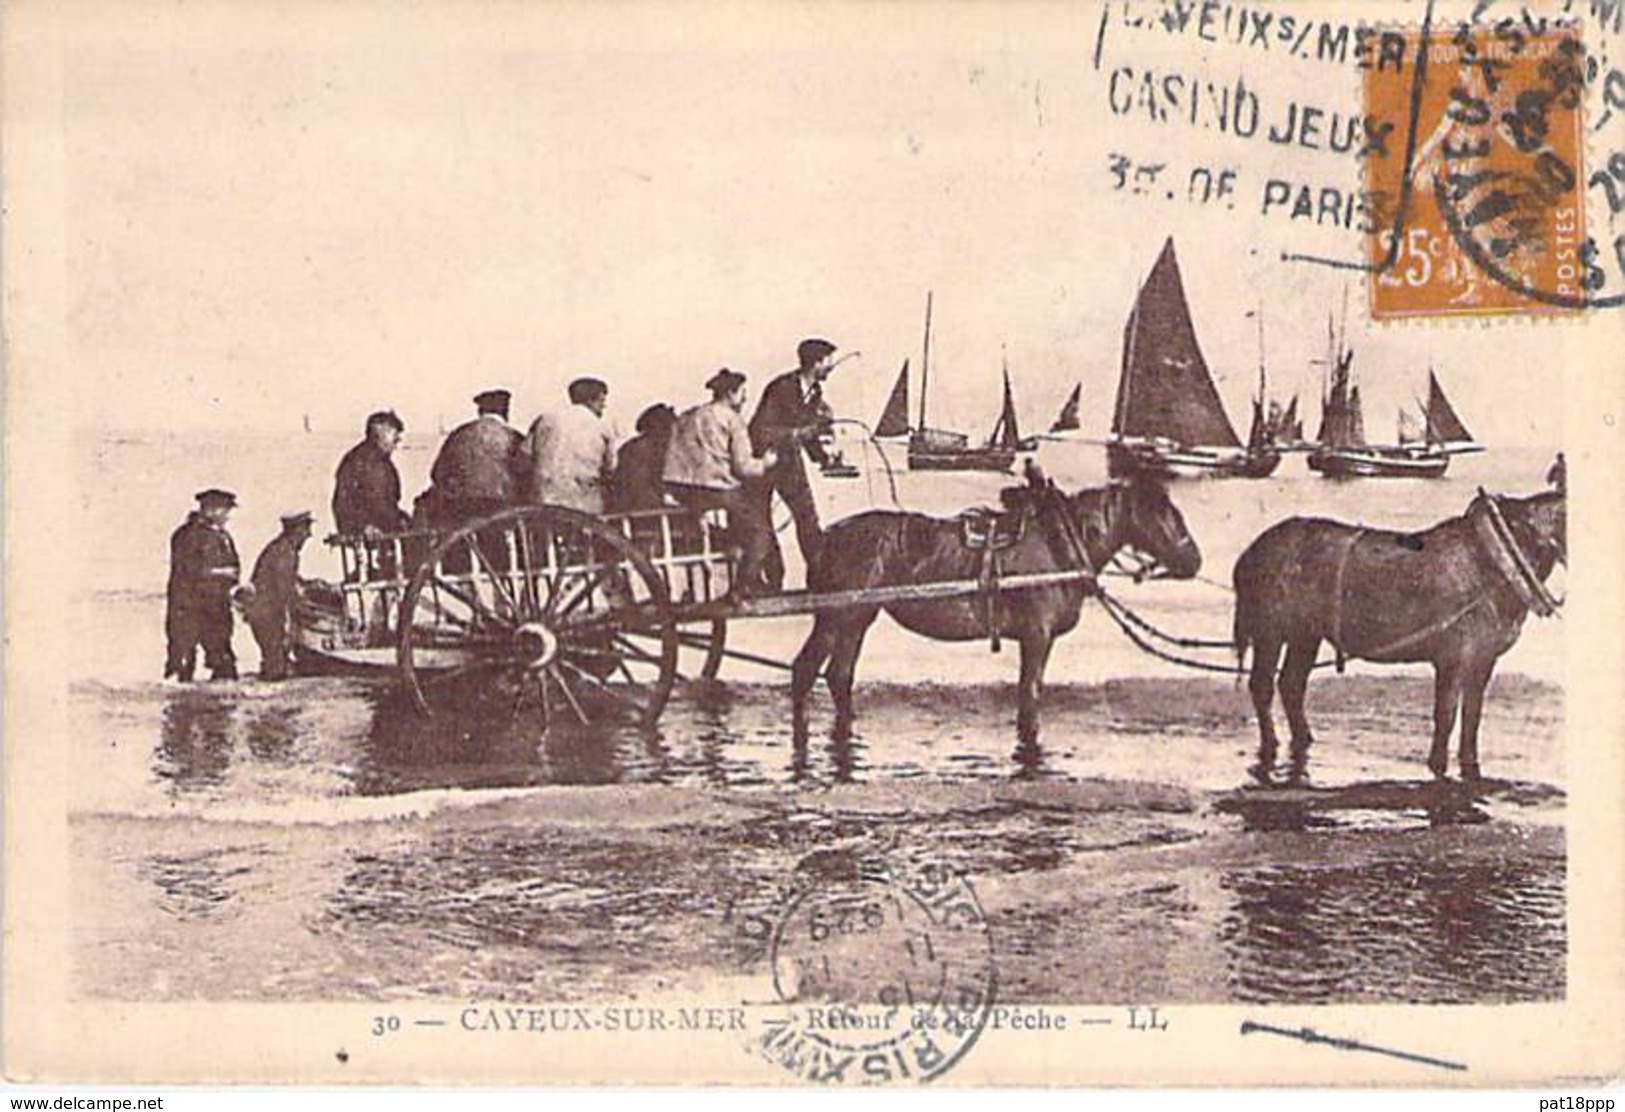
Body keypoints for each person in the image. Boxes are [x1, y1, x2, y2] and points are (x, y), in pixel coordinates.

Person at [665, 370, 779, 596]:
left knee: (736, 518)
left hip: (681, 491)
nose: (745, 398)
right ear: (731, 393)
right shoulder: (732, 420)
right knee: (760, 532)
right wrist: (766, 463)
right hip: (715, 490)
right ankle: (744, 585)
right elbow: (743, 467)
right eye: (742, 393)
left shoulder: (688, 415)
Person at [748, 337, 839, 590]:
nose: (832, 367)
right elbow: (760, 430)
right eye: (829, 361)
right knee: (761, 522)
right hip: (761, 462)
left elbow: (808, 434)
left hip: (789, 462)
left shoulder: (815, 392)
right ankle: (771, 580)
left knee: (807, 518)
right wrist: (801, 434)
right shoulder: (781, 387)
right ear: (816, 362)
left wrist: (823, 457)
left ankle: (820, 577)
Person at [164, 489, 242, 682]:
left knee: (223, 664)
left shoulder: (222, 536)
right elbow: (189, 570)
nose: (227, 516)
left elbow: (234, 566)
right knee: (181, 662)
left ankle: (215, 707)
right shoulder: (187, 535)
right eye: (225, 510)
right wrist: (221, 573)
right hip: (188, 608)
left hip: (216, 607)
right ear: (211, 510)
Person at [519, 377, 619, 513]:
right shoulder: (602, 426)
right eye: (601, 401)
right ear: (591, 400)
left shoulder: (545, 419)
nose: (603, 407)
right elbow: (611, 468)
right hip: (583, 502)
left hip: (543, 499)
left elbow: (523, 457)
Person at [238, 511, 314, 681]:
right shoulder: (284, 552)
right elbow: (283, 590)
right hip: (268, 615)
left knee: (276, 662)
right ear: (297, 531)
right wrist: (293, 616)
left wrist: (308, 584)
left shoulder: (281, 548)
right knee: (276, 666)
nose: (309, 536)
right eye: (306, 531)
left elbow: (287, 580)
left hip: (264, 613)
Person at [428, 389, 523, 525]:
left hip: (462, 510)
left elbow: (437, 473)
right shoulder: (515, 438)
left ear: (480, 411)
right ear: (506, 412)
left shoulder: (459, 434)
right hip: (504, 511)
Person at [333, 410, 410, 536]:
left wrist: (401, 519)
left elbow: (390, 504)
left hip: (384, 535)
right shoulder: (355, 461)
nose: (398, 439)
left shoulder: (386, 465)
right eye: (393, 433)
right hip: (361, 537)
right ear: (379, 432)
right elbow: (343, 504)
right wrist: (362, 527)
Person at [609, 403, 678, 511]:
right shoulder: (643, 450)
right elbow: (640, 489)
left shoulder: (633, 447)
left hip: (637, 508)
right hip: (643, 512)